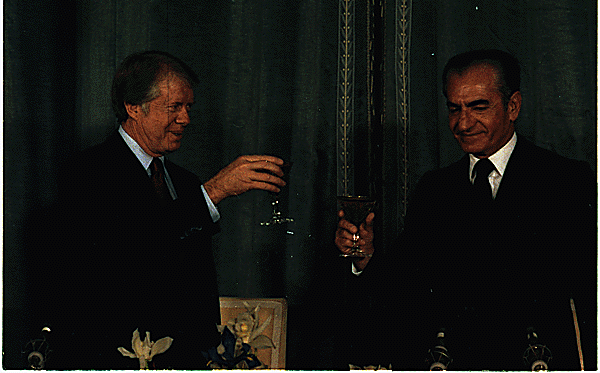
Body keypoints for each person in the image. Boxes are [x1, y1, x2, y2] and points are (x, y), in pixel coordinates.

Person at [335, 49, 596, 371]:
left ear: (513, 106)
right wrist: (366, 254)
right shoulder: (435, 188)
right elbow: (407, 286)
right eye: (454, 108)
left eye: (478, 107)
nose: (463, 123)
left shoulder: (566, 180)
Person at [31, 51, 287, 370]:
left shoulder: (184, 181)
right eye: (174, 107)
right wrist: (214, 191)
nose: (186, 119)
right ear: (133, 107)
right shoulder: (86, 173)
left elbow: (196, 282)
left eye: (188, 107)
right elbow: (130, 257)